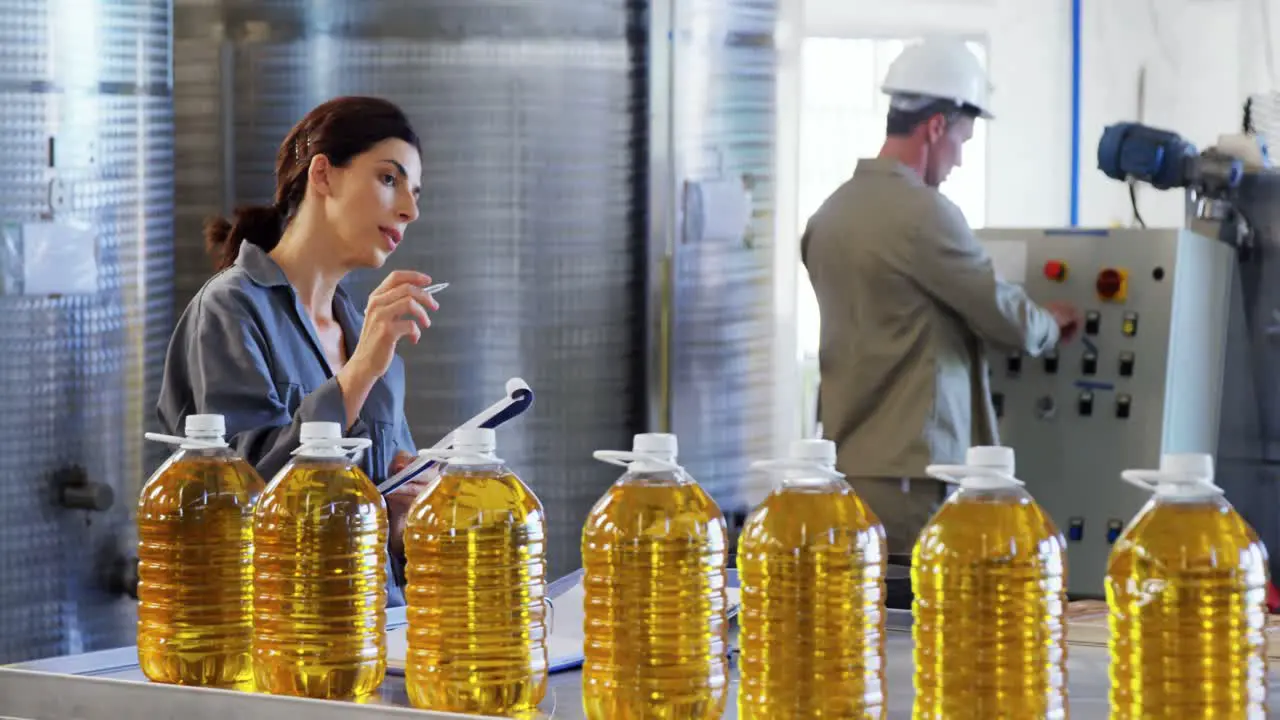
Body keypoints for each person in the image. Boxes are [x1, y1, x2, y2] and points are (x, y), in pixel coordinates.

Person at [800, 39, 1082, 557]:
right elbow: (1004, 317)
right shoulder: (924, 214)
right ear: (935, 127)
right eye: (962, 142)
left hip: (844, 471)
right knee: (919, 627)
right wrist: (1049, 322)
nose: (958, 161)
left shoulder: (829, 216)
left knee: (865, 624)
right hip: (914, 475)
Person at [156, 96, 437, 607]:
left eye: (416, 193)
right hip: (272, 641)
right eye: (389, 179)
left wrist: (402, 512)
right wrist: (359, 373)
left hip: (373, 638)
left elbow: (377, 532)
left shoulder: (369, 336)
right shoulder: (229, 311)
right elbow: (239, 494)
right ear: (324, 175)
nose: (410, 210)